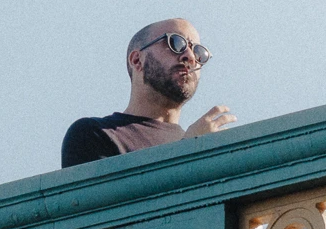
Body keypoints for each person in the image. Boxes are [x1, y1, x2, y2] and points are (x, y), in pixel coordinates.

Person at [61, 19, 237, 167]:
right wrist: (189, 153)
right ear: (137, 60)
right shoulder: (95, 134)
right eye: (176, 43)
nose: (190, 57)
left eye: (199, 53)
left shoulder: (200, 143)